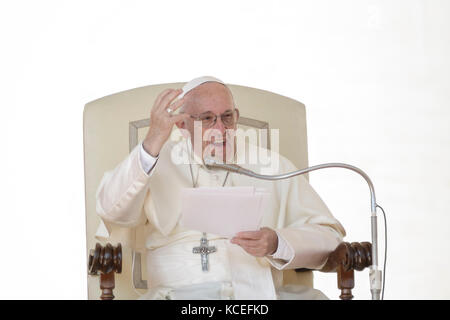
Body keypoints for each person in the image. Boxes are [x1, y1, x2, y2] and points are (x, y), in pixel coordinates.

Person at [95, 76, 346, 300]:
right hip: (175, 296)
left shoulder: (273, 165)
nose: (220, 130)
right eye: (207, 118)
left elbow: (328, 235)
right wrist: (152, 139)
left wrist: (277, 242)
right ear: (182, 124)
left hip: (257, 296)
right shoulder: (153, 160)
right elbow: (111, 209)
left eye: (227, 117)